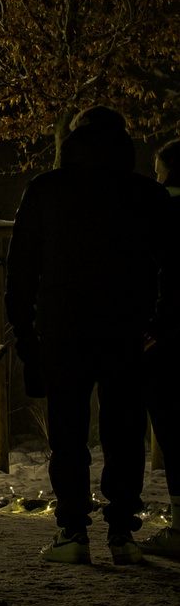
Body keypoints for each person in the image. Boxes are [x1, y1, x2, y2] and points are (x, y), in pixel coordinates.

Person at [6, 108, 171, 565]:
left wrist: (26, 334)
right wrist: (157, 323)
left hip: (63, 329)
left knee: (68, 434)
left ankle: (73, 531)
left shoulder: (46, 191)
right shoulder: (146, 194)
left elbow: (21, 273)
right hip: (126, 331)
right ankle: (122, 533)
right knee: (124, 432)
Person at [139, 138, 180, 558]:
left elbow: (163, 275)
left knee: (172, 431)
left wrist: (153, 328)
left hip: (169, 339)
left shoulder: (160, 214)